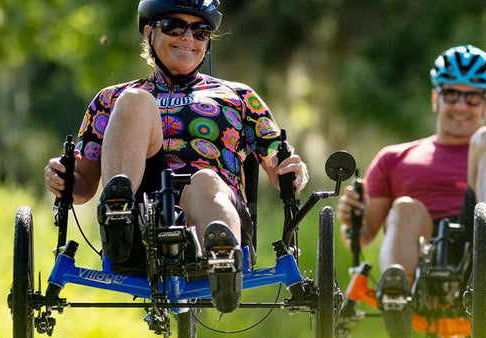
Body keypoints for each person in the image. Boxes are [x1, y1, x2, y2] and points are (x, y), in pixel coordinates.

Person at [42, 0, 309, 314]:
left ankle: (223, 256)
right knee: (134, 100)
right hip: (143, 218)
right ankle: (118, 211)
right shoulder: (111, 100)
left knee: (206, 181)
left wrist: (293, 170)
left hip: (211, 206)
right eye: (174, 27)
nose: (188, 38)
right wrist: (64, 178)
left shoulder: (239, 97)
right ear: (148, 32)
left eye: (200, 31)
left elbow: (279, 165)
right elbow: (83, 187)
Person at [334, 45, 486, 337]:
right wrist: (349, 217)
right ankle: (395, 292)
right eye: (452, 94)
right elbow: (361, 237)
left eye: (473, 96)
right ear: (435, 99)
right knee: (404, 207)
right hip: (423, 255)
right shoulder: (394, 157)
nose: (461, 105)